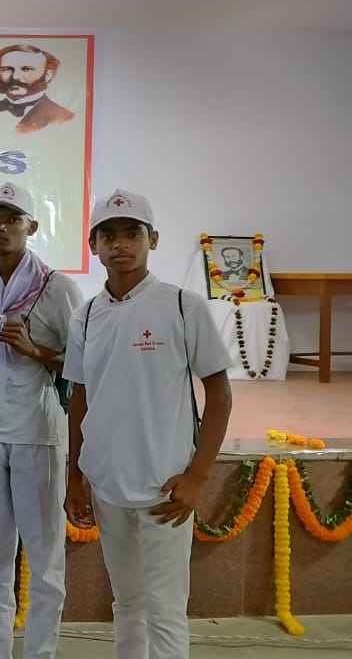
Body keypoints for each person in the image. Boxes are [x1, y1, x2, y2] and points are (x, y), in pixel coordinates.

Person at [64, 189, 233, 659]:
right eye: (108, 236)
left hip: (166, 488)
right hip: (107, 484)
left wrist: (198, 475)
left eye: (132, 233)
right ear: (94, 246)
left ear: (152, 239)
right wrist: (75, 475)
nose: (120, 244)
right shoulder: (86, 316)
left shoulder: (182, 306)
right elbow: (79, 398)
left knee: (165, 609)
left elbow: (219, 394)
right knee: (128, 602)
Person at [0, 182, 83, 659]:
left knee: (45, 557)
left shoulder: (58, 288)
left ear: (32, 226)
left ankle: (40, 652)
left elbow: (81, 365)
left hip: (37, 431)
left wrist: (36, 350)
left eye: (10, 219)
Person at [0, 44, 75, 134]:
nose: (15, 77)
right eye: (6, 69)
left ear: (47, 76)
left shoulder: (62, 117)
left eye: (26, 69)